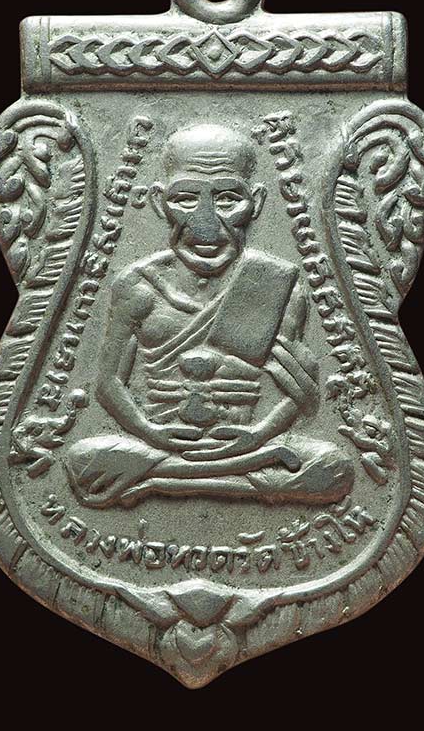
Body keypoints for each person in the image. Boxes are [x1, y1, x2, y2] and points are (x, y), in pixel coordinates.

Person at [65, 124, 354, 507]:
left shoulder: (271, 281)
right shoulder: (138, 285)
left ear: (256, 202)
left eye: (227, 199)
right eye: (185, 198)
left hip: (243, 442)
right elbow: (108, 383)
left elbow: (298, 393)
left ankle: (160, 483)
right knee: (82, 459)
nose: (205, 224)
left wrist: (258, 435)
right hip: (162, 442)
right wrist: (150, 432)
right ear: (159, 203)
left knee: (333, 467)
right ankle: (228, 478)